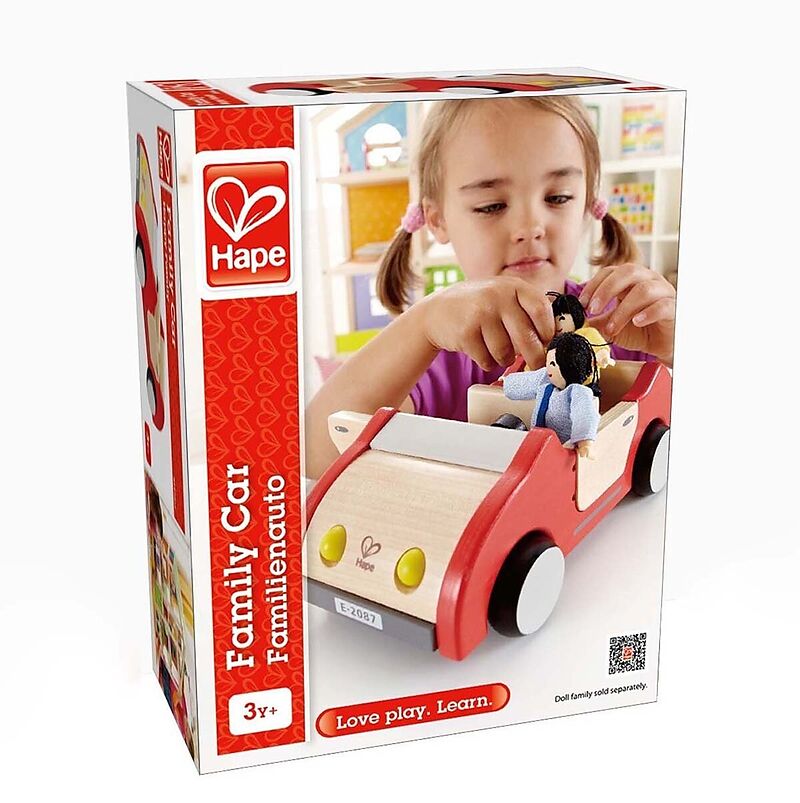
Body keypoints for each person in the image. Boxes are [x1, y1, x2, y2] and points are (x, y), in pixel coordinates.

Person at [305, 97, 676, 479]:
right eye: (491, 205)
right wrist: (422, 324)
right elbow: (316, 456)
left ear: (588, 205)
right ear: (437, 219)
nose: (529, 227)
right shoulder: (433, 349)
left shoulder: (622, 323)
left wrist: (674, 349)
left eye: (558, 197)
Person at [495, 332, 600, 459]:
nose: (549, 368)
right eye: (548, 362)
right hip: (538, 438)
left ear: (570, 365)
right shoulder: (545, 379)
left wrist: (584, 441)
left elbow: (584, 414)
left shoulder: (578, 392)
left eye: (553, 364)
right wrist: (508, 382)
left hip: (562, 446)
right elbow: (528, 381)